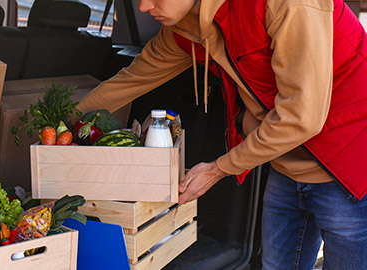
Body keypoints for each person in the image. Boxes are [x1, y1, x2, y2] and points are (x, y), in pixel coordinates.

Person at [75, 0, 367, 268]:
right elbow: (129, 81)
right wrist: (63, 123)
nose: (143, 6)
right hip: (286, 163)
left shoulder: (284, 3)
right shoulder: (186, 29)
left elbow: (302, 117)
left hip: (351, 164)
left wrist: (219, 168)